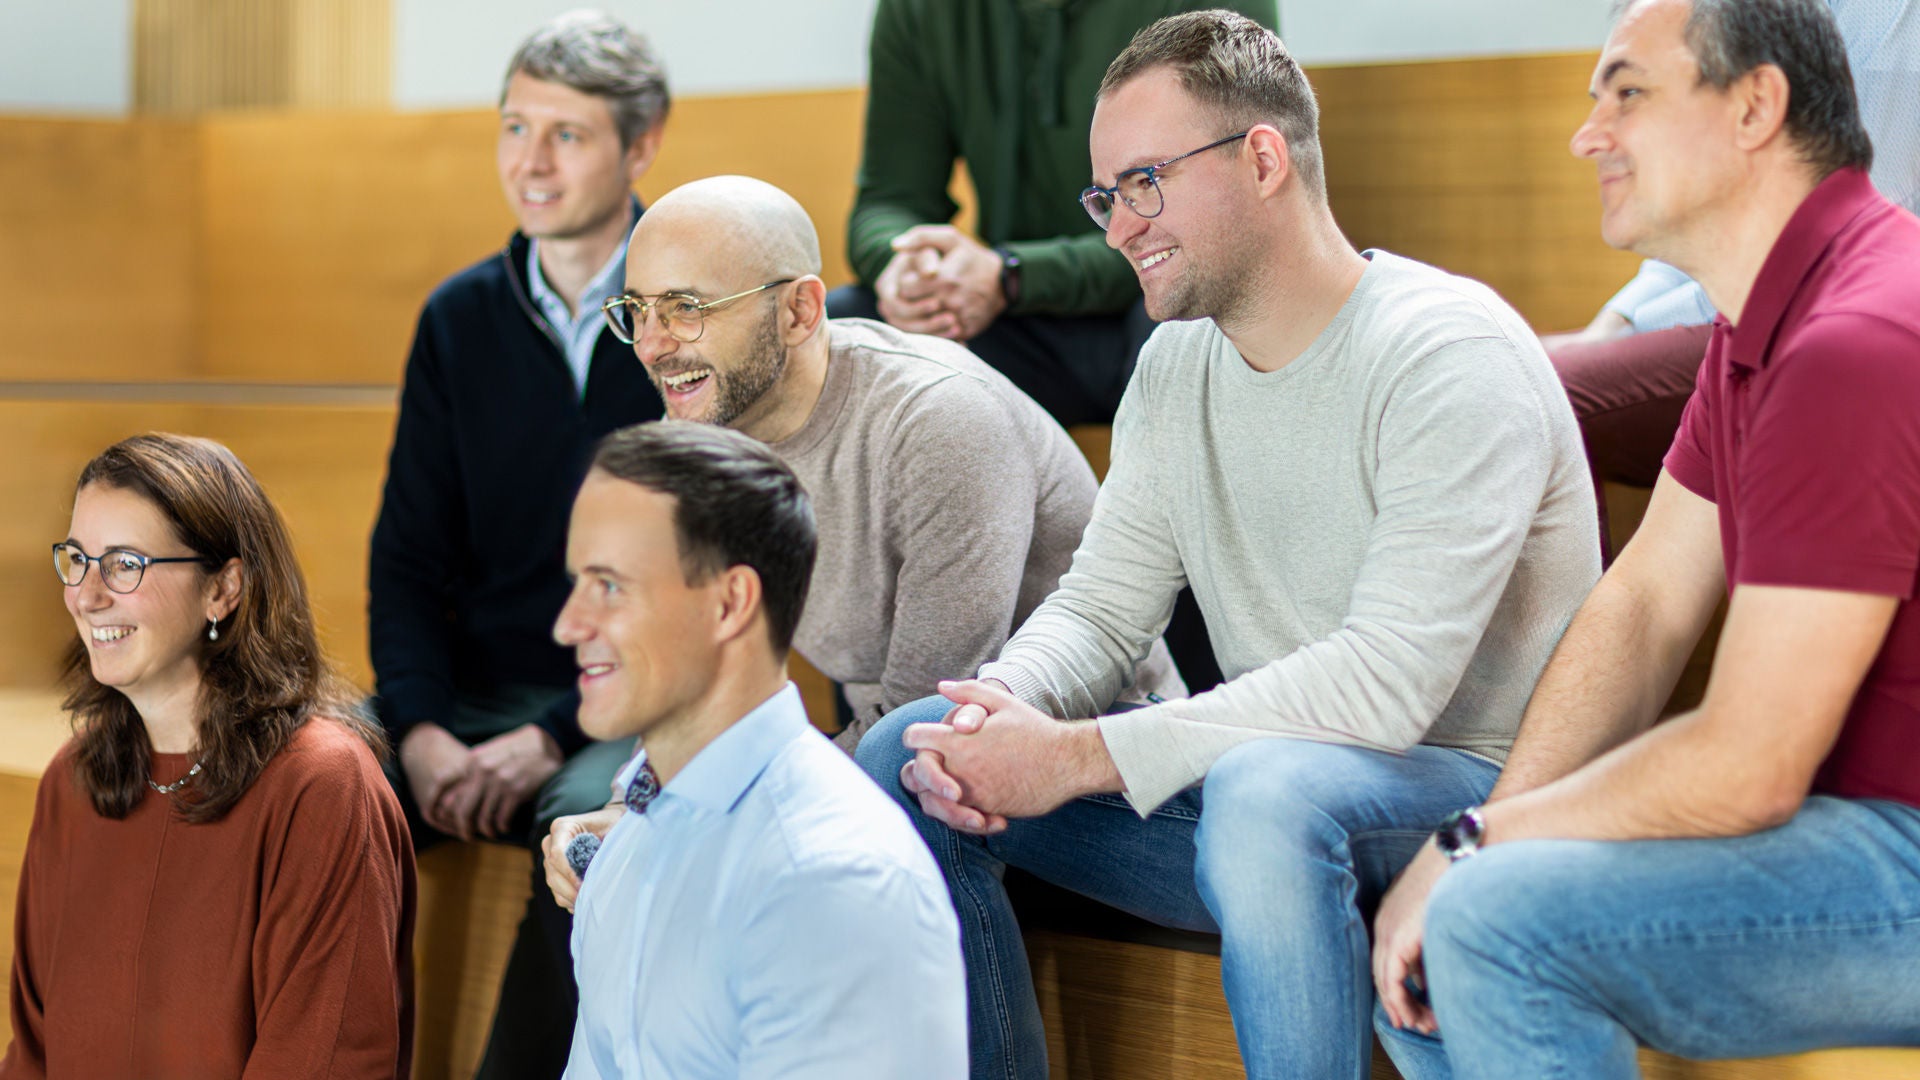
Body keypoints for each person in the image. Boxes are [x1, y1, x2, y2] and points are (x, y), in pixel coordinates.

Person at [855, 12, 1599, 1080]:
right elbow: (1105, 609)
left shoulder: (1447, 349)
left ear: (1262, 159)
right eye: (1105, 195)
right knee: (913, 750)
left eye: (1145, 183)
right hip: (1274, 811)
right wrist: (999, 714)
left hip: (1472, 799)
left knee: (1268, 793)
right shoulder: (1174, 365)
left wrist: (1072, 757)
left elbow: (1390, 686)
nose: (1119, 227)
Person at [1369, 2, 1920, 1076]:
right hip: (1862, 827)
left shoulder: (1858, 339)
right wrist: (1494, 824)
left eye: (1628, 92)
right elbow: (1647, 603)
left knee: (1489, 922)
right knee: (1422, 949)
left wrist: (1472, 846)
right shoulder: (1762, 320)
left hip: (1901, 847)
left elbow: (1751, 763)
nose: (1590, 135)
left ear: (1757, 105)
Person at [540, 173, 1179, 908]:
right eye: (636, 311)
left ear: (800, 311)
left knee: (881, 791)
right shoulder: (695, 445)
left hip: (1088, 779)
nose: (651, 346)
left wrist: (680, 824)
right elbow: (688, 681)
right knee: (612, 857)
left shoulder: (939, 421)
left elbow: (921, 720)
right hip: (905, 773)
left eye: (687, 309)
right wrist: (633, 805)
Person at [365, 10, 668, 1077]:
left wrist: (547, 734)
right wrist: (417, 732)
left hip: (621, 707)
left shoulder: (681, 313)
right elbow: (406, 558)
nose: (529, 164)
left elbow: (690, 583)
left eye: (566, 134)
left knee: (600, 822)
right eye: (513, 127)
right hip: (466, 699)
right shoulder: (459, 318)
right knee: (303, 770)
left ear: (641, 147)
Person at [553, 421, 965, 1079]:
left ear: (729, 604)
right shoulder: (630, 834)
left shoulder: (830, 882)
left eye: (609, 585)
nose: (568, 625)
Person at [5, 433, 413, 1079]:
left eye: (125, 564)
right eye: (77, 559)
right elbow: (32, 1052)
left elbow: (325, 1061)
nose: (87, 595)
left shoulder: (321, 784)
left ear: (223, 588)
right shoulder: (75, 779)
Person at [1541, 0, 1917, 561]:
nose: (1587, 140)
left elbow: (1831, 231)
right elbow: (1707, 181)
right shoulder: (1729, 346)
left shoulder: (1890, 24)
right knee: (1531, 375)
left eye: (1630, 94)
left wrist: (1690, 301)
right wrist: (1610, 326)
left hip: (1829, 307)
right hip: (1752, 306)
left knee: (1540, 397)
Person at [828, 0, 1274, 430]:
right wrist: (912, 270)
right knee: (843, 326)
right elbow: (889, 200)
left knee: (1203, 314)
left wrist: (1014, 275)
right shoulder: (920, 10)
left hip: (1152, 297)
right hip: (1013, 320)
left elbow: (1224, 218)